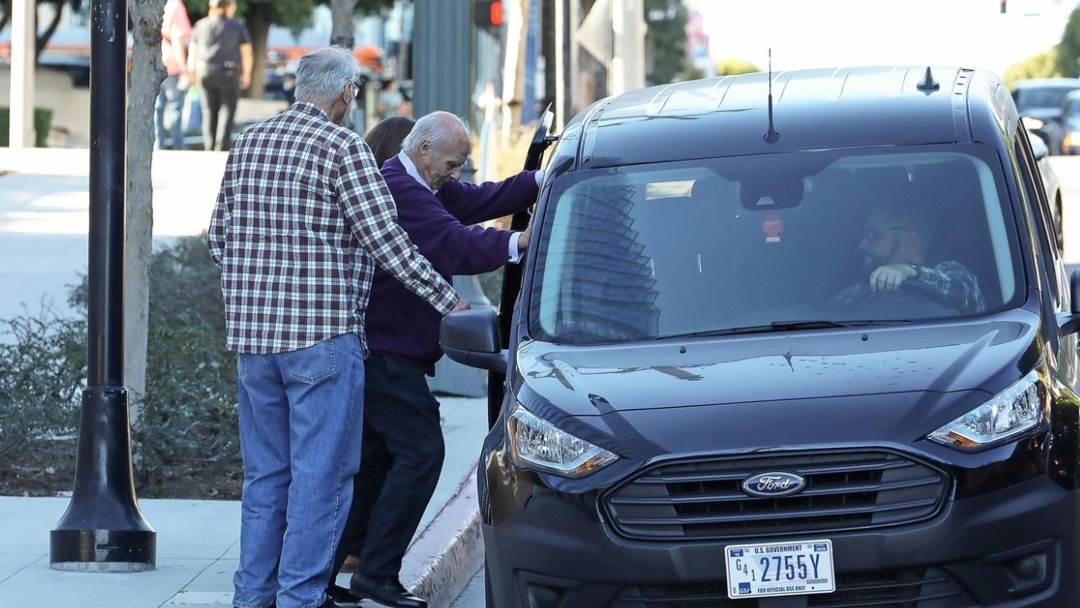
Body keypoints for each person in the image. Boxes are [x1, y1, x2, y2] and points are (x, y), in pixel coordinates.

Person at [208, 48, 464, 608]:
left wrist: (257, 294)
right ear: (347, 92)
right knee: (322, 478)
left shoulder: (249, 141)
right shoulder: (343, 146)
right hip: (322, 342)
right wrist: (448, 301)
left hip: (253, 345)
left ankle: (251, 598)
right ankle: (300, 598)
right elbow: (387, 241)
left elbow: (218, 238)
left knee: (266, 479)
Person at [330, 112, 541, 608]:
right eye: (451, 162)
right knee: (422, 453)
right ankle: (374, 574)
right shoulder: (399, 189)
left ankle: (328, 574)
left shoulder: (426, 186)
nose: (456, 173)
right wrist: (520, 243)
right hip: (384, 354)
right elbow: (456, 245)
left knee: (377, 464)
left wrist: (540, 179)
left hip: (390, 353)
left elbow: (481, 199)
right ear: (423, 149)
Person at [832, 203, 986, 314]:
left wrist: (908, 270)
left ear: (907, 235)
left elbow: (964, 292)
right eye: (864, 236)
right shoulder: (855, 291)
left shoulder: (949, 272)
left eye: (873, 235)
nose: (862, 244)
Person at [189, 0, 252, 151]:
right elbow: (247, 52)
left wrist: (191, 71)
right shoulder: (237, 26)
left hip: (204, 72)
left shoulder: (200, 25)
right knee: (227, 110)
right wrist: (247, 73)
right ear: (227, 7)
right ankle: (221, 147)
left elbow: (193, 50)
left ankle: (209, 146)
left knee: (208, 110)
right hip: (229, 72)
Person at [155, 0, 192, 150]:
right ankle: (178, 143)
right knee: (176, 106)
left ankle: (159, 141)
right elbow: (177, 39)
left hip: (158, 60)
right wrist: (184, 67)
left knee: (159, 105)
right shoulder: (176, 6)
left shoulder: (159, 5)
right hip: (173, 64)